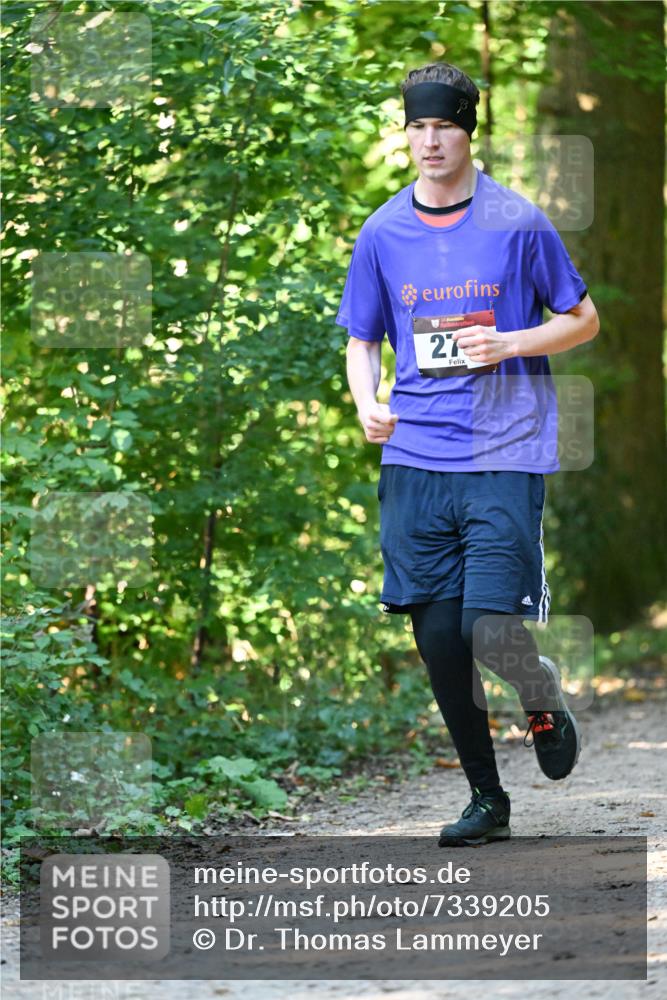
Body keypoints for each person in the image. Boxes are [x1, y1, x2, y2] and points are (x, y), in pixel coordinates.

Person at [336, 62, 599, 847]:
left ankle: (537, 689)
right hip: (414, 457)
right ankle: (488, 801)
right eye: (415, 127)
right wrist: (366, 403)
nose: (428, 141)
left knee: (488, 625)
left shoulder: (515, 222)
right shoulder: (383, 231)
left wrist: (511, 342)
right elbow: (361, 340)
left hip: (503, 449)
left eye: (442, 126)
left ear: (467, 130)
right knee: (439, 639)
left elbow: (582, 319)